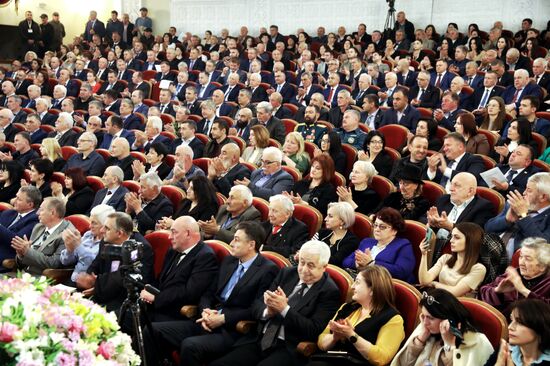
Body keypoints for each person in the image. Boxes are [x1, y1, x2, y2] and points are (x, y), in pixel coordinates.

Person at [144, 221, 278, 366]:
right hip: (207, 320)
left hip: (232, 330)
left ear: (251, 245)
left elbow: (256, 309)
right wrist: (205, 311)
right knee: (152, 330)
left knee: (190, 346)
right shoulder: (229, 261)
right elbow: (208, 293)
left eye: (237, 240)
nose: (231, 243)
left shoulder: (267, 269)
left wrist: (223, 319)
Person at [209, 240, 341, 366]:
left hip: (289, 347)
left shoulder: (329, 292)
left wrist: (284, 310)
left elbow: (312, 330)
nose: (304, 269)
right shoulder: (287, 274)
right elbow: (256, 305)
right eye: (302, 262)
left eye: (311, 265)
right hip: (259, 339)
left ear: (324, 267)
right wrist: (268, 311)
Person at [310, 265, 405, 366]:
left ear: (372, 289)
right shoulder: (347, 307)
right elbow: (321, 342)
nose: (352, 286)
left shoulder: (393, 319)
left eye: (358, 282)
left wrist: (351, 335)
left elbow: (381, 358)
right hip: (330, 360)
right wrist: (334, 337)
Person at [390, 288, 494, 366]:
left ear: (446, 318)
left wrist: (449, 344)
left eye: (430, 318)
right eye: (423, 316)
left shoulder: (476, 341)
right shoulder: (427, 329)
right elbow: (403, 364)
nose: (424, 322)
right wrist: (420, 340)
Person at [77, 212, 154, 312]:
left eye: (107, 228)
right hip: (103, 290)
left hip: (124, 298)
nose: (102, 230)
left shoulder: (139, 247)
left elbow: (128, 278)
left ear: (119, 233)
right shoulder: (105, 241)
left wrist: (97, 284)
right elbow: (96, 264)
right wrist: (88, 278)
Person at [480, 237, 550, 316]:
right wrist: (497, 291)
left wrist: (523, 290)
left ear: (543, 266)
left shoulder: (547, 283)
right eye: (521, 256)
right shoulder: (513, 274)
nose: (521, 263)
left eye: (528, 259)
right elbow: (483, 291)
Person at [343, 208, 416, 283]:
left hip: (386, 286)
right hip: (362, 281)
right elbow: (346, 261)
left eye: (382, 227)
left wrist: (371, 264)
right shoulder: (366, 242)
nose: (377, 229)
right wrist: (358, 264)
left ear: (394, 230)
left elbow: (402, 271)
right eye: (375, 225)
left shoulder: (403, 245)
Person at [419, 222, 487, 297]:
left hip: (456, 306)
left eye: (457, 237)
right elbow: (424, 281)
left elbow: (454, 293)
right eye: (451, 236)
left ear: (470, 242)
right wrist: (424, 254)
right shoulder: (445, 258)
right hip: (439, 299)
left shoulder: (479, 269)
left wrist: (435, 284)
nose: (451, 240)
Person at [11, 197, 75, 275]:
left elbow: (55, 263)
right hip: (23, 274)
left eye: (41, 209)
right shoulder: (39, 227)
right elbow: (25, 259)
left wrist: (27, 251)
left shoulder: (67, 233)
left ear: (52, 213)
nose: (37, 213)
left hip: (43, 278)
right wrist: (21, 254)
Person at [59, 204, 115, 285]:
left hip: (90, 284)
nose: (90, 226)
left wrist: (78, 245)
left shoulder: (109, 242)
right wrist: (69, 249)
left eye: (94, 223)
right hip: (73, 279)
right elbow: (65, 262)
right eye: (90, 221)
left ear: (105, 225)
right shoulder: (88, 235)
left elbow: (92, 263)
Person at [495, 299, 550, 366]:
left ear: (539, 325)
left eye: (520, 322)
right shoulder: (504, 350)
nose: (510, 327)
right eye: (511, 320)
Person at [0, 186, 41, 264]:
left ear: (30, 204)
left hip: (6, 259)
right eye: (16, 197)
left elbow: (16, 241)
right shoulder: (8, 213)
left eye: (19, 199)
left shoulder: (35, 220)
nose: (14, 201)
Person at [315, 202, 359, 267]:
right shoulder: (322, 232)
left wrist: (312, 256)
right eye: (327, 215)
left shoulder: (351, 241)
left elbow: (335, 261)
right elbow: (308, 247)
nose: (325, 219)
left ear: (342, 221)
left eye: (330, 216)